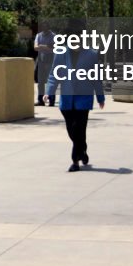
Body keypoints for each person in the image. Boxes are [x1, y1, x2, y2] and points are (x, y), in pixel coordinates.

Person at [45, 23, 105, 171]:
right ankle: (82, 148)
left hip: (83, 98)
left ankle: (75, 161)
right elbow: (54, 74)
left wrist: (100, 96)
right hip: (67, 98)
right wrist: (49, 91)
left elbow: (96, 77)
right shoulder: (60, 53)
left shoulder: (91, 54)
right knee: (72, 129)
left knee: (79, 127)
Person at [33, 28, 56, 105]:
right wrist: (46, 46)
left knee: (50, 81)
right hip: (40, 60)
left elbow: (53, 47)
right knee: (40, 82)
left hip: (50, 60)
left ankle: (51, 100)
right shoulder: (38, 35)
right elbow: (35, 47)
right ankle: (40, 100)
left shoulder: (53, 36)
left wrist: (41, 46)